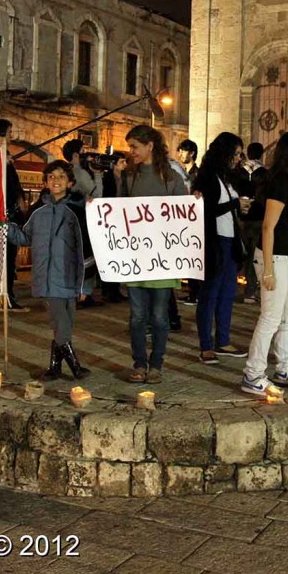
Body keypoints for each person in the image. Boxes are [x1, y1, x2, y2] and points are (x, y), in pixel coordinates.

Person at [241, 132, 288, 396]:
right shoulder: (280, 181)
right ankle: (253, 373)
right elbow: (269, 226)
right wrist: (267, 270)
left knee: (287, 316)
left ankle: (284, 366)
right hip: (273, 257)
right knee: (270, 317)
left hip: (286, 255)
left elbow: (286, 221)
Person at [118, 125, 187, 384]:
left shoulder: (172, 179)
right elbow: (117, 213)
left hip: (163, 259)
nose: (131, 151)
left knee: (159, 316)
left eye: (134, 146)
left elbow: (183, 220)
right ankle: (138, 363)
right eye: (130, 146)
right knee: (136, 316)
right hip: (136, 259)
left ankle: (156, 364)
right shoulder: (127, 177)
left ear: (150, 146)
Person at [11, 161, 90, 381]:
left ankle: (54, 368)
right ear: (45, 182)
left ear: (70, 182)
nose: (56, 180)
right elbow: (25, 238)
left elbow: (86, 247)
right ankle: (76, 367)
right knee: (61, 324)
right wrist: (7, 228)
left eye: (61, 177)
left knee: (65, 324)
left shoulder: (78, 211)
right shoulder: (38, 211)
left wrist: (85, 284)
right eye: (52, 177)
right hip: (47, 278)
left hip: (70, 278)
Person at [192, 132, 250, 364]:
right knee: (210, 294)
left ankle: (223, 340)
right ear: (224, 152)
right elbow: (205, 211)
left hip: (229, 241)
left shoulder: (227, 177)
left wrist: (240, 207)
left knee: (227, 294)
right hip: (214, 242)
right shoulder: (206, 177)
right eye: (235, 153)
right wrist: (234, 204)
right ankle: (206, 346)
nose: (238, 158)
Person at [0, 118, 28, 311]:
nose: (11, 136)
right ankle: (0, 297)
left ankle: (6, 294)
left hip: (10, 213)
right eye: (9, 132)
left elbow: (13, 184)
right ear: (1, 133)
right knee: (0, 259)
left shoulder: (4, 154)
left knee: (9, 259)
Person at [61, 139, 102, 308]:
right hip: (83, 221)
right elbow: (96, 194)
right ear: (76, 155)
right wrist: (98, 175)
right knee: (87, 258)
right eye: (84, 151)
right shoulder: (79, 173)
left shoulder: (65, 172)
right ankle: (84, 294)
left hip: (68, 222)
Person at [236, 142, 267, 304]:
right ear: (261, 154)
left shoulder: (239, 171)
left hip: (241, 217)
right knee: (254, 255)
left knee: (243, 253)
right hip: (258, 217)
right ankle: (250, 291)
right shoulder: (264, 173)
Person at [100, 152, 128, 303]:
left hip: (121, 219)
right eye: (122, 161)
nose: (125, 164)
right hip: (109, 218)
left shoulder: (124, 179)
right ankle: (108, 289)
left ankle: (115, 289)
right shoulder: (108, 178)